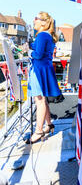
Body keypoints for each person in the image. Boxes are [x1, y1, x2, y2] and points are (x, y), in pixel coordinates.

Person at [26, 12, 61, 143]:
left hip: (39, 70)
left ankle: (39, 131)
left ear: (43, 23)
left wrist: (29, 51)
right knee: (43, 99)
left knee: (39, 101)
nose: (33, 20)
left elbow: (38, 54)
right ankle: (49, 124)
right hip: (45, 69)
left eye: (36, 18)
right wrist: (31, 48)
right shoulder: (47, 36)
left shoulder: (41, 35)